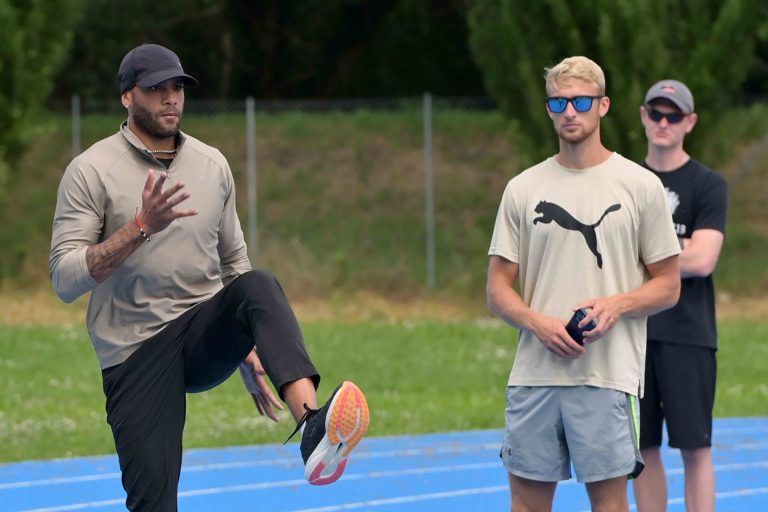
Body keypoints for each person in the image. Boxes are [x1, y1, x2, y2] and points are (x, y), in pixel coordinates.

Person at [49, 43, 369, 511]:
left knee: (258, 284)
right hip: (134, 350)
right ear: (127, 97)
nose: (171, 97)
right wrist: (140, 228)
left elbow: (234, 263)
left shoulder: (212, 164)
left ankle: (312, 425)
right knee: (153, 502)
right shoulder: (90, 170)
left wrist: (250, 344)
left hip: (201, 333)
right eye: (156, 88)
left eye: (177, 87)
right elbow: (64, 279)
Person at [486, 56, 682, 512]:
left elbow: (669, 285)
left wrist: (617, 305)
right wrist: (537, 323)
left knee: (609, 505)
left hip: (606, 377)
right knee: (526, 504)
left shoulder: (640, 186)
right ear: (549, 109)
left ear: (603, 105)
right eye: (559, 102)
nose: (569, 111)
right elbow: (497, 288)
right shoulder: (522, 188)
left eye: (580, 101)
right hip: (534, 377)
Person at [632, 80, 727, 512]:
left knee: (695, 447)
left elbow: (703, 260)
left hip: (689, 333)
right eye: (656, 113)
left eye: (673, 116)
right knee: (641, 448)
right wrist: (678, 251)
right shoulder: (626, 182)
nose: (663, 123)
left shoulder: (708, 184)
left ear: (690, 122)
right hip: (634, 330)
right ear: (643, 116)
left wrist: (643, 253)